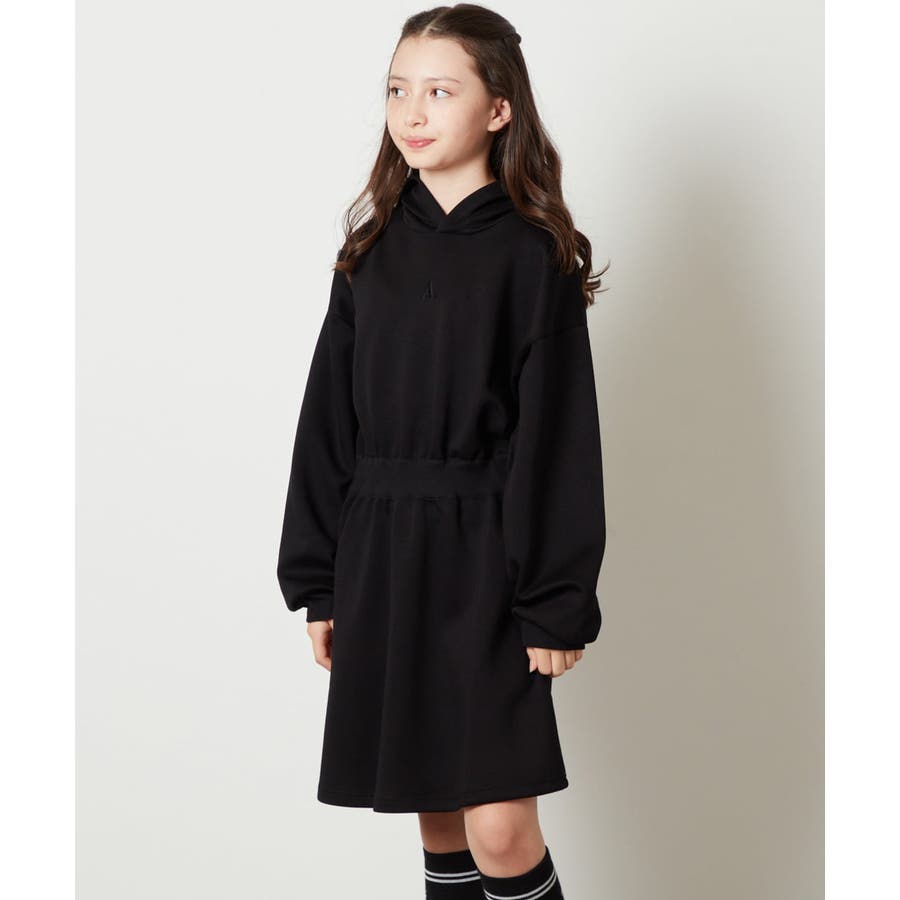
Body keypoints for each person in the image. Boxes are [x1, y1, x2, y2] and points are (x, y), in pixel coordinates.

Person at [276, 4, 609, 898]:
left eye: (439, 91)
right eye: (397, 90)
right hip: (383, 553)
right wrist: (318, 581)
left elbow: (561, 440)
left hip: (488, 561)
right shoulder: (370, 251)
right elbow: (327, 424)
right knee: (437, 815)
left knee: (501, 828)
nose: (412, 112)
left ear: (498, 109)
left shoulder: (534, 257)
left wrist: (555, 602)